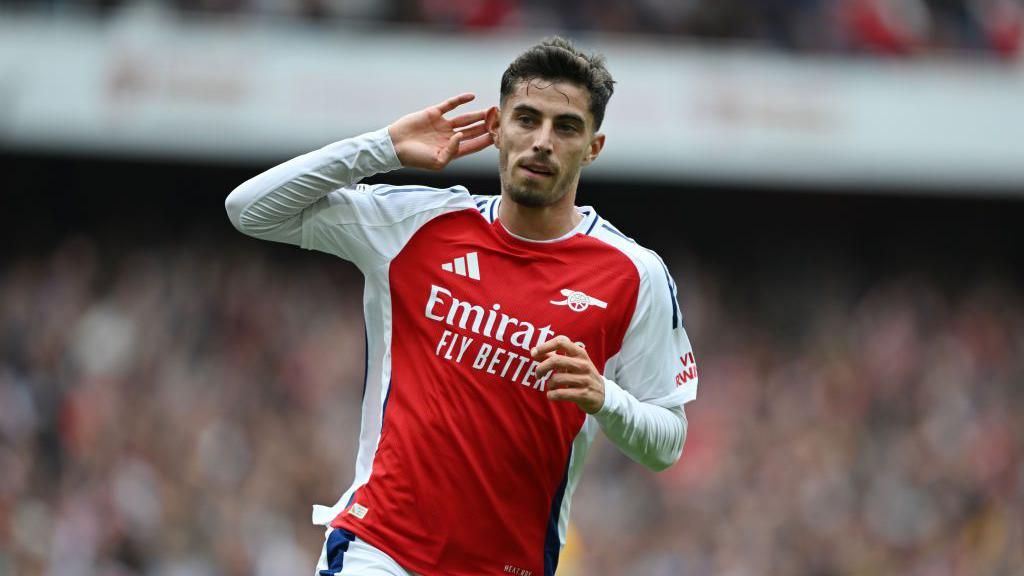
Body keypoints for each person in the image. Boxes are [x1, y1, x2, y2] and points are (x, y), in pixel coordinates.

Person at [225, 36, 699, 576]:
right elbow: (250, 211)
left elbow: (668, 443)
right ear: (497, 128)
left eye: (566, 127)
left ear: (593, 146)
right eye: (527, 119)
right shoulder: (420, 225)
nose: (542, 141)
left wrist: (605, 398)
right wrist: (382, 147)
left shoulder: (633, 275)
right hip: (380, 550)